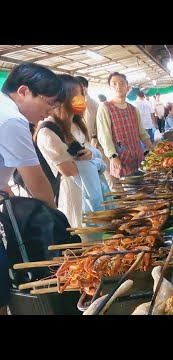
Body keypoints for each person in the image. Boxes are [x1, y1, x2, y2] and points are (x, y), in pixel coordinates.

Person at [0, 62, 65, 315]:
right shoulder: (11, 119)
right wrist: (56, 223)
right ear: (24, 91)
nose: (48, 113)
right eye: (48, 103)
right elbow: (36, 182)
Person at [35, 75, 109, 230]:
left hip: (92, 184)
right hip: (74, 192)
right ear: (64, 97)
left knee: (100, 230)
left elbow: (91, 150)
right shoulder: (48, 130)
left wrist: (91, 155)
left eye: (84, 93)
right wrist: (96, 161)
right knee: (85, 232)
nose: (83, 98)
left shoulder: (76, 122)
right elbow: (68, 169)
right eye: (79, 94)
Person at [96, 72, 154, 179]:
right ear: (110, 88)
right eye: (114, 84)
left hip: (138, 158)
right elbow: (104, 136)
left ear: (128, 87)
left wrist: (154, 150)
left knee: (146, 189)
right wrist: (113, 156)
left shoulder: (133, 109)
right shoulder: (105, 108)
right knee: (131, 193)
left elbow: (142, 133)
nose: (118, 86)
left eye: (122, 83)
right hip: (121, 160)